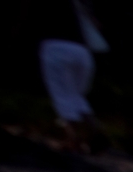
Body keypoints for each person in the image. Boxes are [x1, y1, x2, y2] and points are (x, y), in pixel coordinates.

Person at [38, 0, 108, 148]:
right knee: (76, 95)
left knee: (62, 94)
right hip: (82, 51)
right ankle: (94, 132)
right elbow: (97, 25)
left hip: (55, 46)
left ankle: (72, 139)